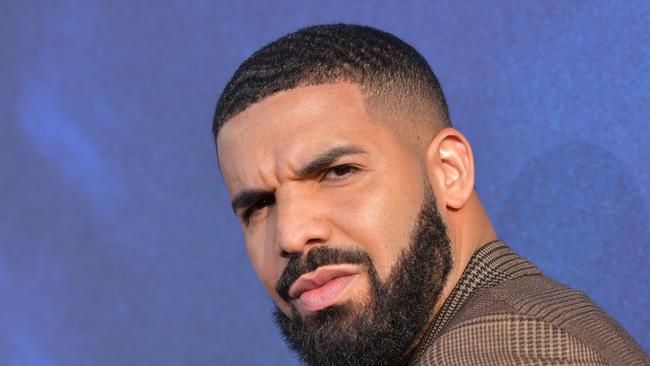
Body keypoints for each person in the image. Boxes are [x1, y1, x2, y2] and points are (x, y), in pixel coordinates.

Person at [212, 24, 648, 366]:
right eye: (259, 206)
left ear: (450, 171)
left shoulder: (502, 350)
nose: (290, 234)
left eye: (338, 172)